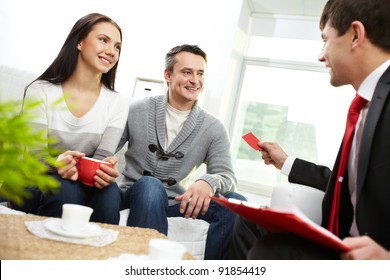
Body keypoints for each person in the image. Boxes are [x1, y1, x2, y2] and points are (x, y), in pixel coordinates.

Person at [231, 0, 390, 260]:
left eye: (325, 39)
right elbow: (342, 184)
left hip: (372, 256)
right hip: (338, 241)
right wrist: (286, 162)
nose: (320, 54)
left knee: (269, 252)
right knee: (249, 222)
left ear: (355, 35)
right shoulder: (364, 105)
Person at [117, 44, 246, 260]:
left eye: (200, 73)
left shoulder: (213, 127)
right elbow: (105, 152)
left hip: (178, 203)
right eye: (187, 72)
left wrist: (208, 182)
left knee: (235, 202)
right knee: (150, 185)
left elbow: (227, 177)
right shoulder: (136, 109)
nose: (195, 80)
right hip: (136, 195)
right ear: (168, 75)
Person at [12, 13, 128, 225]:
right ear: (80, 42)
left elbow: (101, 158)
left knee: (111, 194)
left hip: (83, 182)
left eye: (117, 46)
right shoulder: (41, 91)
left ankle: (100, 255)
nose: (112, 51)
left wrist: (105, 172)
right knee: (67, 190)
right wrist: (56, 164)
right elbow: (34, 157)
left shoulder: (117, 103)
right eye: (104, 40)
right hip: (36, 179)